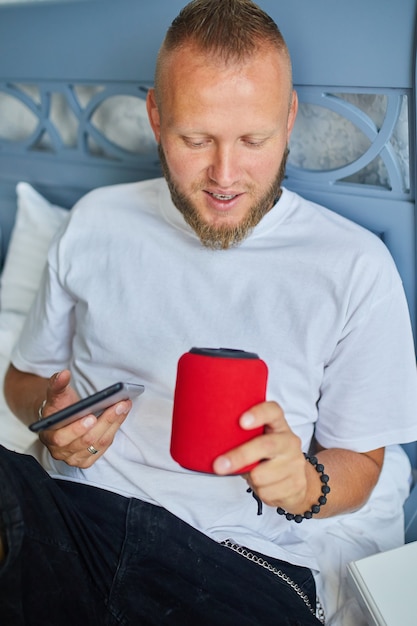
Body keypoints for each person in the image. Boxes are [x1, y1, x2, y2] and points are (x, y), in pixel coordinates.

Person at [1, 0, 417, 624]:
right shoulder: (95, 222)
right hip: (77, 515)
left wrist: (306, 485)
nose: (226, 176)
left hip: (242, 560)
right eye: (196, 140)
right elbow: (23, 381)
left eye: (254, 140)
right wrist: (50, 418)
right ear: (156, 117)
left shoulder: (353, 266)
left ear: (290, 118)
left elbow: (364, 460)